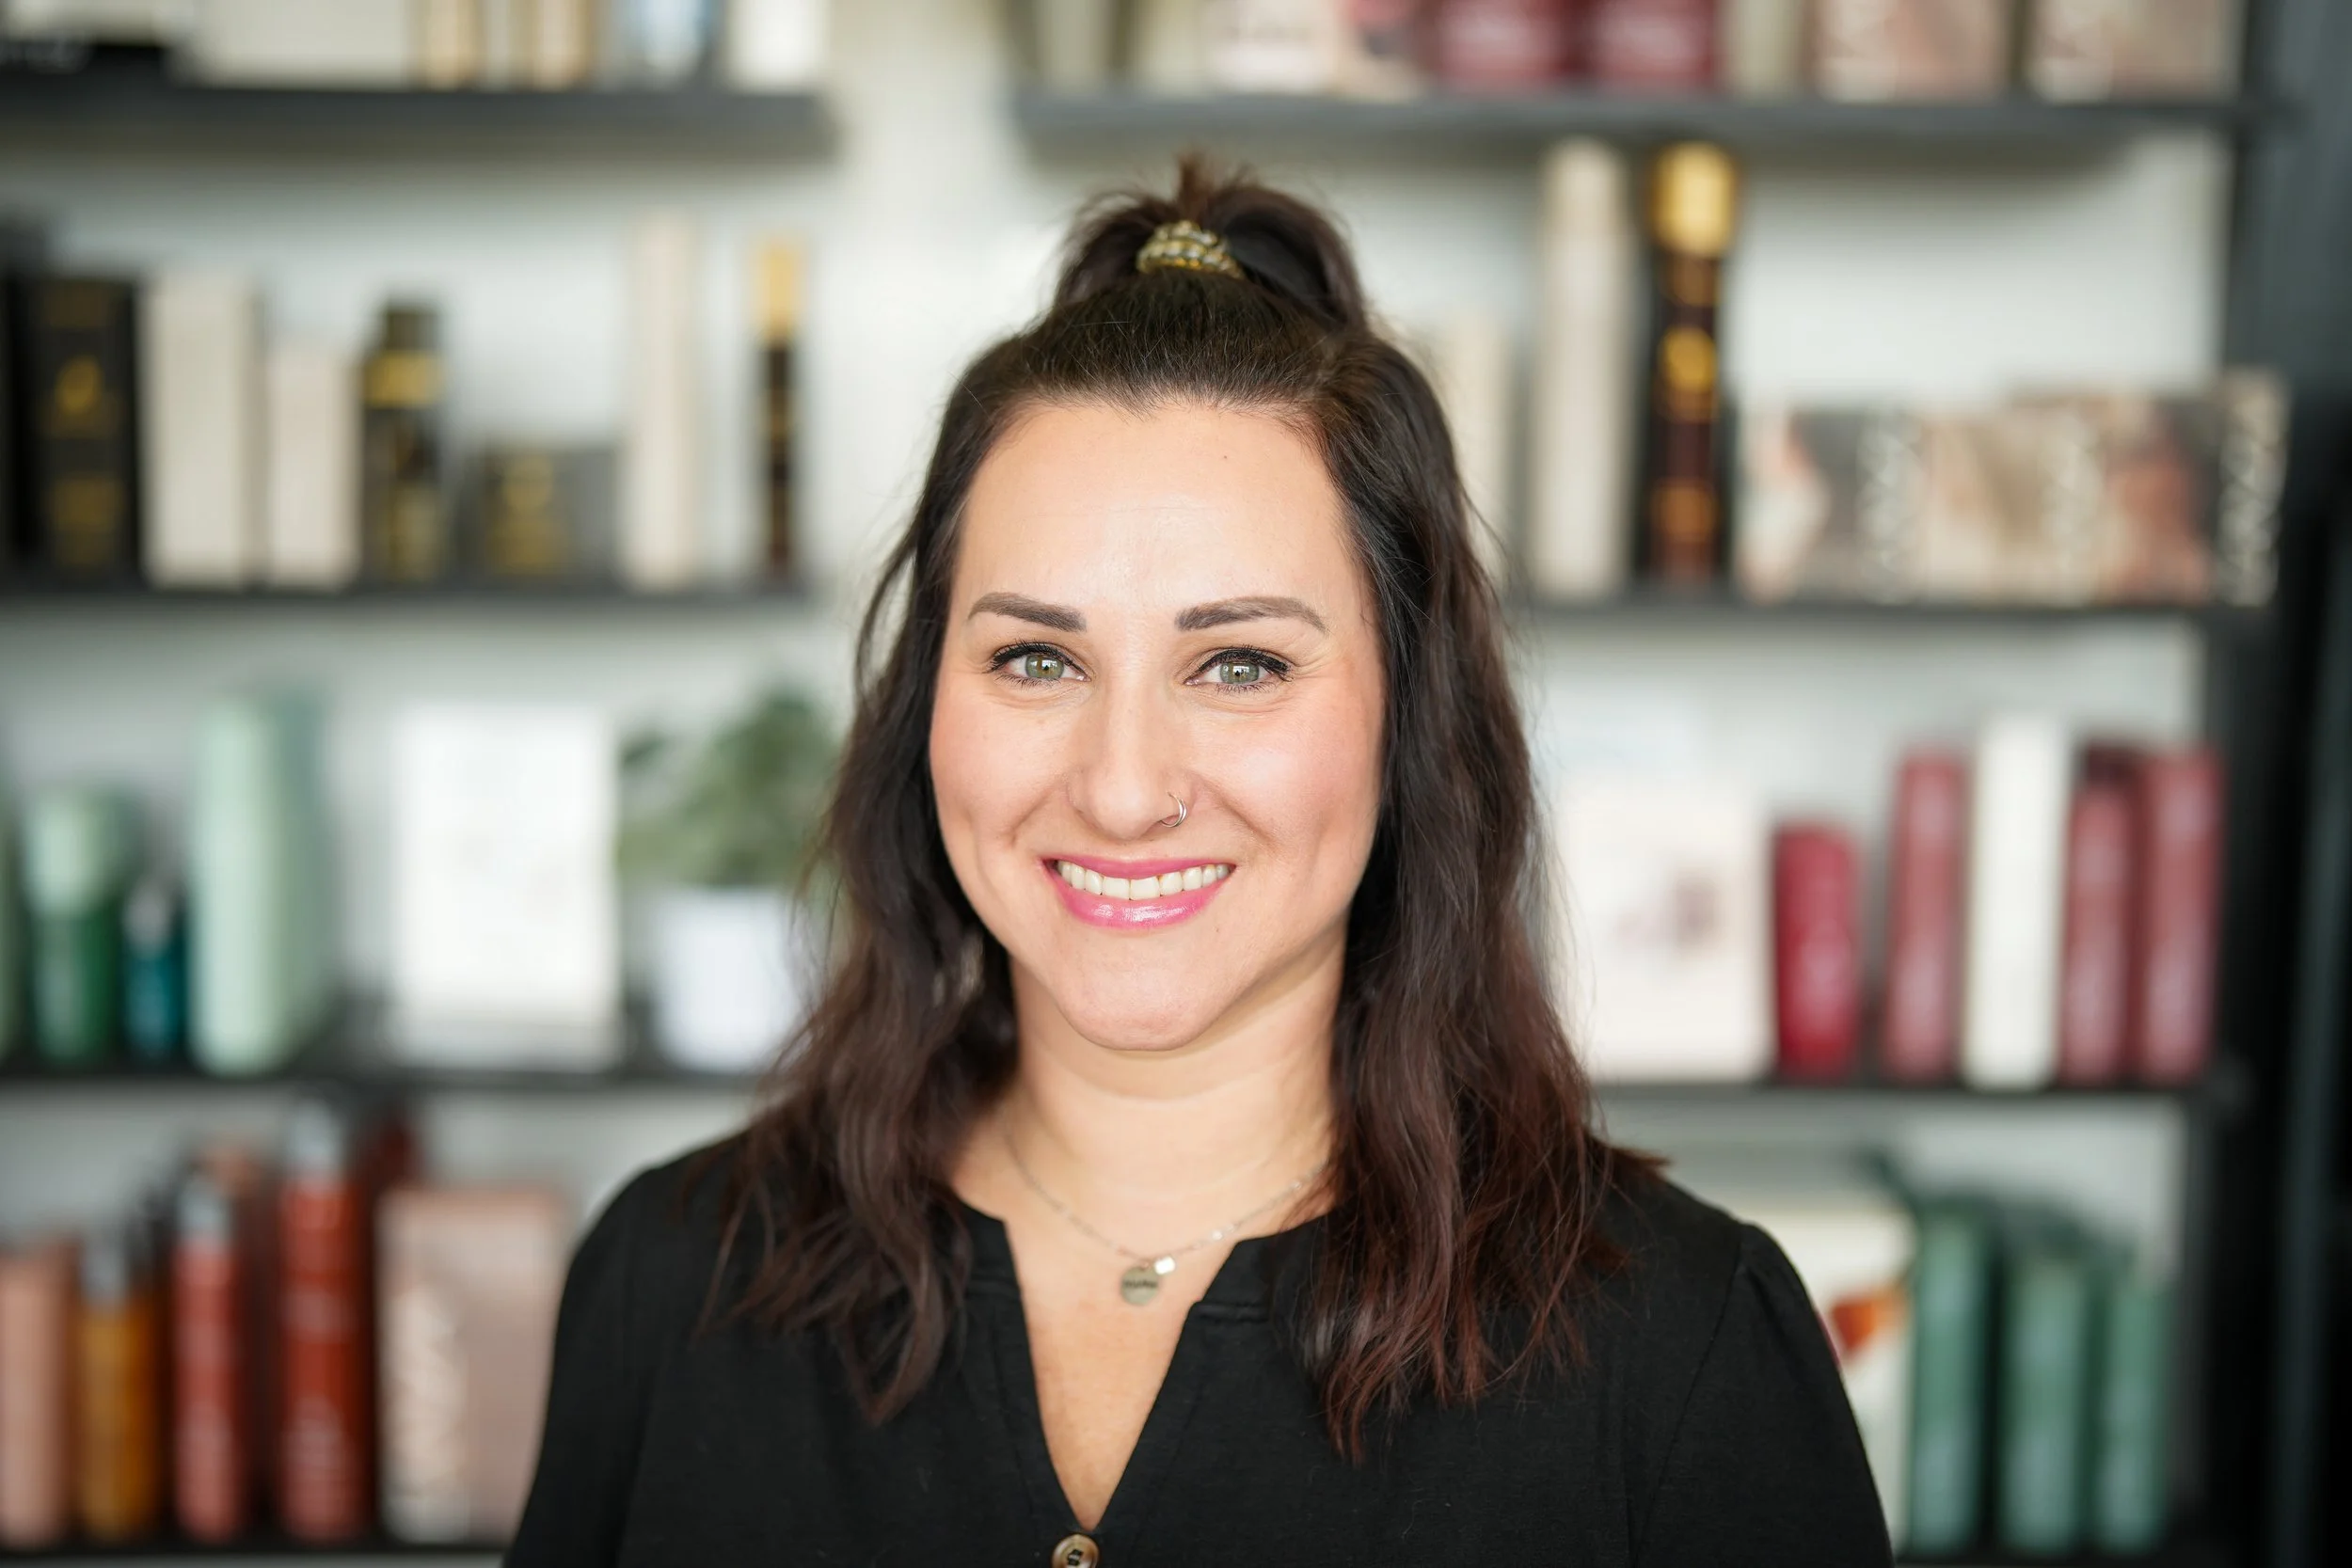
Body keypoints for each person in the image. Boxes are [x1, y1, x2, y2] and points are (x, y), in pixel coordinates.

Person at [508, 161, 1892, 1567]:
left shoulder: (1681, 1347)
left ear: (1409, 719)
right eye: (1035, 657)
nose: (1120, 788)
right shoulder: (671, 1280)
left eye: (1240, 663)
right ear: (928, 703)